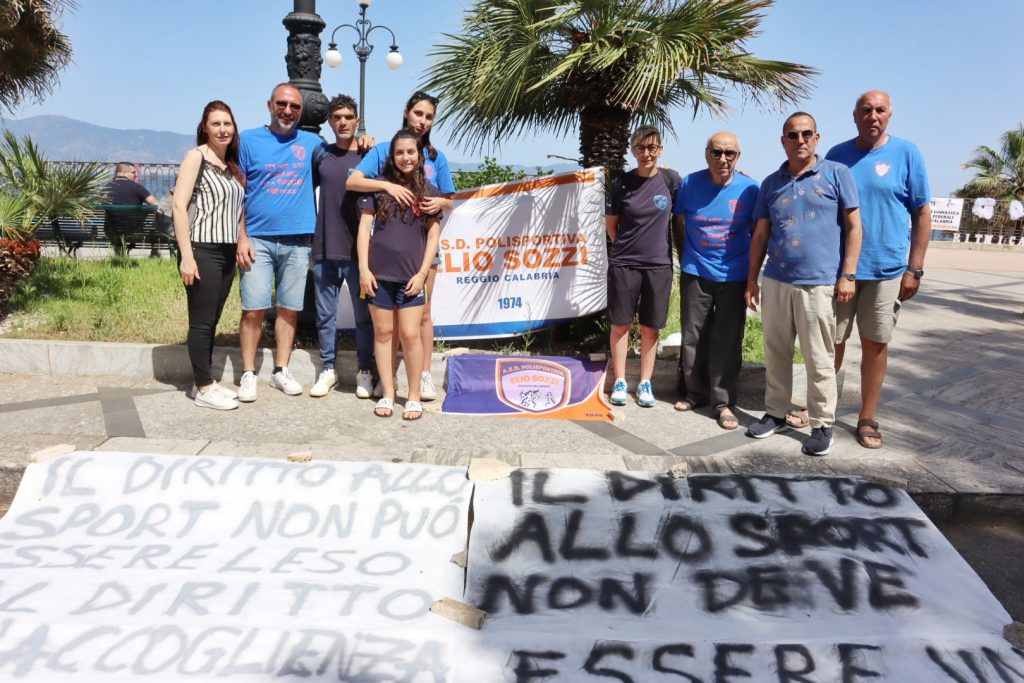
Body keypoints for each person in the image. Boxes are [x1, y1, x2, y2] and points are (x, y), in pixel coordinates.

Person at [745, 112, 863, 456]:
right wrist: (752, 279)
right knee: (776, 353)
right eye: (792, 135)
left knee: (819, 358)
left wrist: (848, 275)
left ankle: (822, 423)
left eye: (806, 134)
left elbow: (854, 227)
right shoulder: (770, 183)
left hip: (819, 284)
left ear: (817, 137)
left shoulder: (837, 174)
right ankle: (775, 413)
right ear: (783, 140)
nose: (800, 140)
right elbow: (761, 235)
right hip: (777, 281)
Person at [820, 90, 931, 449]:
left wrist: (915, 268)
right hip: (842, 270)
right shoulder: (837, 155)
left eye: (880, 110)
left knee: (875, 343)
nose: (873, 116)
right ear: (855, 116)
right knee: (831, 342)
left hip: (886, 270)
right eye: (866, 110)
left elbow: (922, 214)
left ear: (889, 115)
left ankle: (867, 417)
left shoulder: (907, 153)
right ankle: (821, 411)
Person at [347, 91, 454, 402]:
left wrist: (442, 202)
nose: (422, 120)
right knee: (386, 323)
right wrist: (388, 185)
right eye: (418, 113)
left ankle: (421, 378)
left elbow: (450, 200)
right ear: (407, 112)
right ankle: (388, 379)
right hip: (384, 259)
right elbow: (354, 182)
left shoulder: (437, 157)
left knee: (420, 317)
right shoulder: (382, 149)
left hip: (422, 254)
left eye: (429, 116)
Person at [234, 83, 324, 402]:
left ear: (301, 111)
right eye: (282, 104)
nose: (288, 111)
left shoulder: (313, 143)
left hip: (298, 240)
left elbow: (342, 160)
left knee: (289, 309)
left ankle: (280, 370)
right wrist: (240, 237)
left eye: (294, 107)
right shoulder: (248, 140)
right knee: (253, 308)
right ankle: (248, 373)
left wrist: (363, 141)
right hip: (256, 239)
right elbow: (237, 193)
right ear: (269, 105)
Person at [671, 132, 759, 429]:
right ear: (706, 154)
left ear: (738, 156)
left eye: (729, 154)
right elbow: (679, 222)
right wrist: (687, 259)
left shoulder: (750, 188)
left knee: (728, 340)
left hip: (735, 274)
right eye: (717, 153)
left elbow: (759, 233)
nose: (723, 159)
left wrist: (752, 278)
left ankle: (723, 403)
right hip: (696, 270)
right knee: (693, 335)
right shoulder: (689, 184)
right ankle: (695, 392)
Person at [357, 130, 442, 421]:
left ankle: (414, 396)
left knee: (410, 335)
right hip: (378, 277)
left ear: (419, 157)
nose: (405, 157)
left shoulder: (429, 191)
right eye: (399, 153)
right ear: (392, 156)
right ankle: (389, 395)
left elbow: (433, 236)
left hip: (411, 279)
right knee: (383, 334)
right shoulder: (378, 188)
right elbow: (363, 231)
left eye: (411, 152)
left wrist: (421, 274)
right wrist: (364, 270)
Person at [171, 101, 246, 410]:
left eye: (227, 123)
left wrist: (242, 239)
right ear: (204, 127)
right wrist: (187, 256)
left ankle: (207, 379)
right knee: (201, 322)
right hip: (202, 248)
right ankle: (202, 387)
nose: (222, 129)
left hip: (227, 252)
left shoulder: (230, 164)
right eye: (216, 124)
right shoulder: (196, 157)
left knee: (212, 319)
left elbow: (238, 209)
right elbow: (179, 206)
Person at [605, 125, 679, 408]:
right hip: (625, 264)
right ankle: (621, 381)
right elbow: (612, 226)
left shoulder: (671, 180)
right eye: (640, 148)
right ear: (632, 150)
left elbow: (683, 213)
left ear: (660, 149)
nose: (646, 153)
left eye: (652, 148)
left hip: (659, 265)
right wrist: (628, 249)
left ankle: (646, 383)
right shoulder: (621, 183)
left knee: (651, 327)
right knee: (620, 324)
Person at [309, 94, 376, 399]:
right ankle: (328, 370)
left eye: (349, 117)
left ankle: (364, 370)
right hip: (325, 248)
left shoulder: (369, 155)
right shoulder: (320, 155)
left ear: (357, 121)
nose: (343, 122)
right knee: (326, 315)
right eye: (337, 117)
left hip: (359, 254)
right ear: (329, 121)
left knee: (364, 316)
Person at [105, 162, 157, 253]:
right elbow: (156, 204)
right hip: (135, 232)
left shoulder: (106, 188)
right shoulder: (137, 188)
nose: (136, 175)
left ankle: (119, 254)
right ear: (124, 172)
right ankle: (155, 253)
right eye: (133, 172)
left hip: (111, 231)